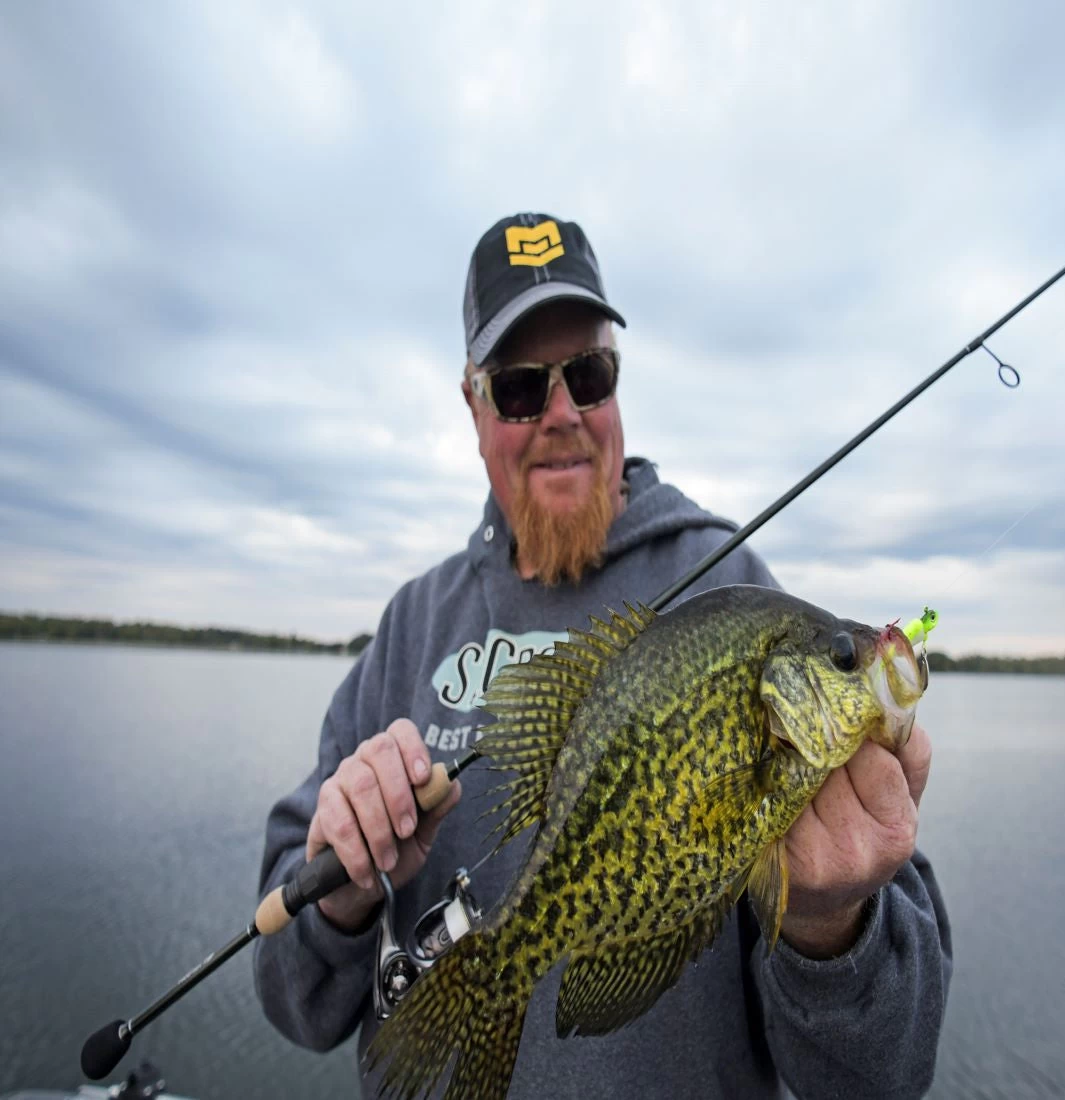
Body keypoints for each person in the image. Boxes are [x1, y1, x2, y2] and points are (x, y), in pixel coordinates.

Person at [254, 213, 953, 1099]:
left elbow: (889, 1075)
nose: (561, 415)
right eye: (520, 388)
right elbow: (293, 1004)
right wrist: (344, 893)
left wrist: (834, 924)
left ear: (617, 381)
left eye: (588, 374)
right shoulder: (410, 626)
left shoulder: (729, 583)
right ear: (473, 405)